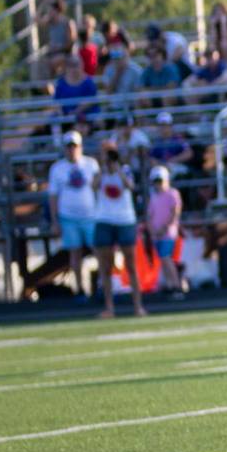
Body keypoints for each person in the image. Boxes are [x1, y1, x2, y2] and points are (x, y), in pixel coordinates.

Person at [90, 143, 146, 319]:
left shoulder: (125, 170)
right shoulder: (99, 172)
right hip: (104, 219)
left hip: (125, 220)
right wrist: (104, 169)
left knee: (131, 265)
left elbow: (130, 186)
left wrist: (117, 169)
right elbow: (93, 186)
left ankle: (138, 306)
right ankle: (109, 308)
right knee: (105, 266)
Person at [47, 131, 100, 304]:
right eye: (69, 146)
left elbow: (98, 189)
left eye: (74, 146)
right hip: (68, 217)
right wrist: (55, 221)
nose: (72, 150)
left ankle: (102, 285)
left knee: (99, 250)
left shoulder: (91, 164)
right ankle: (80, 289)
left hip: (90, 216)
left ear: (80, 147)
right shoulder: (57, 168)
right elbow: (53, 196)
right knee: (75, 253)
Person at [146, 165, 189, 296]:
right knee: (163, 259)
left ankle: (176, 285)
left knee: (166, 258)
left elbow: (175, 213)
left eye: (160, 181)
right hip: (156, 235)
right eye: (156, 181)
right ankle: (170, 285)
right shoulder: (153, 196)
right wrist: (153, 231)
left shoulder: (172, 194)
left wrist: (164, 229)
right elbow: (149, 216)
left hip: (168, 233)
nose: (158, 184)